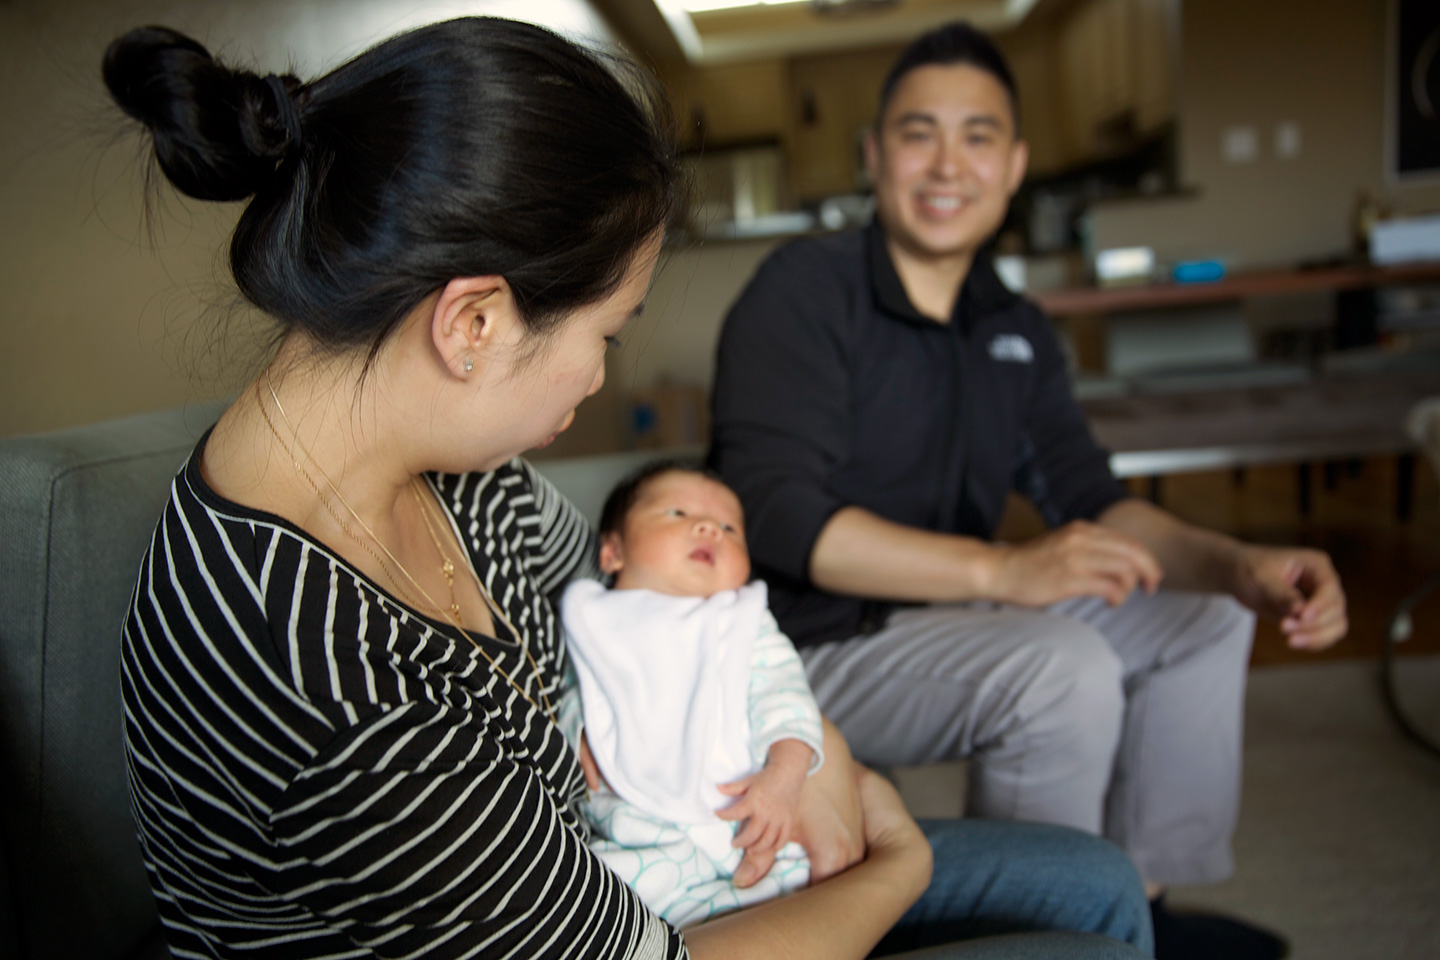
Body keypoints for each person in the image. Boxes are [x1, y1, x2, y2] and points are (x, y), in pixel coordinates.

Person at [108, 16, 1154, 960]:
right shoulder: (330, 696)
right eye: (607, 335)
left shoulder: (462, 477)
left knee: (1095, 883)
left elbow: (670, 607)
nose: (601, 378)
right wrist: (897, 863)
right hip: (641, 927)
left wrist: (828, 759)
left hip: (667, 863)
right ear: (474, 322)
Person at [710, 21, 1348, 960]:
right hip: (800, 640)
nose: (947, 164)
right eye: (920, 133)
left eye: (977, 137)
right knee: (1061, 667)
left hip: (941, 612)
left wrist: (1237, 562)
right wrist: (1002, 572)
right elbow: (775, 511)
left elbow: (1090, 495)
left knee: (1205, 616)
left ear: (1012, 166)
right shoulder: (804, 288)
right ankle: (1022, 931)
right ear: (875, 155)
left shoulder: (1014, 325)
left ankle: (1136, 909)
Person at [562, 463, 823, 927]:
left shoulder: (742, 622)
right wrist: (579, 728)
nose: (709, 528)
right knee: (597, 900)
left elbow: (784, 695)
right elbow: (568, 693)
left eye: (729, 527)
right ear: (613, 551)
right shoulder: (594, 621)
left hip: (743, 818)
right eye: (677, 513)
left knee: (796, 891)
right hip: (639, 832)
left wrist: (784, 776)